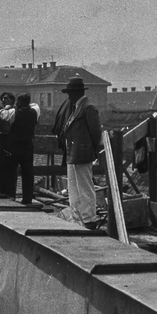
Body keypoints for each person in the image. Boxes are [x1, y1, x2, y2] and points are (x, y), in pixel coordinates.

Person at [51, 77, 102, 226]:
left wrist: (89, 148)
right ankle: (77, 215)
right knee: (73, 186)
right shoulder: (75, 108)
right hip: (73, 152)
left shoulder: (88, 108)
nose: (69, 96)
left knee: (84, 185)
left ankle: (89, 217)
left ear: (77, 93)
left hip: (82, 152)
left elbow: (96, 132)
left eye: (71, 93)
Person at [0, 93, 39, 204]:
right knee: (28, 172)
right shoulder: (35, 111)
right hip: (28, 145)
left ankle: (10, 195)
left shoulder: (14, 112)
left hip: (15, 145)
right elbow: (35, 106)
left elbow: (3, 115)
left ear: (19, 102)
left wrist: (7, 107)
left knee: (11, 171)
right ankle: (27, 198)